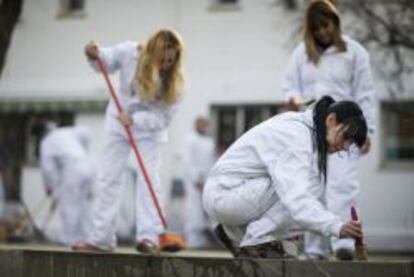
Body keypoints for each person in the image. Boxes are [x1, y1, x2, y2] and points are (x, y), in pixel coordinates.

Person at [203, 96, 367, 259]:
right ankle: (257, 241)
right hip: (226, 195)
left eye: (350, 144)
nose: (345, 147)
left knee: (305, 190)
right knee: (305, 187)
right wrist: (337, 226)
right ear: (331, 120)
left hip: (228, 193)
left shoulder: (300, 126)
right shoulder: (297, 137)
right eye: (346, 137)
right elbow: (296, 200)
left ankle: (234, 233)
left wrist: (334, 226)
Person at [73, 29, 185, 254]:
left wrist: (135, 119)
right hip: (117, 122)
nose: (164, 65)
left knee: (149, 180)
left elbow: (163, 119)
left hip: (150, 130)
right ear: (151, 51)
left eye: (170, 61)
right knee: (108, 178)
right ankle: (101, 238)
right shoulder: (128, 52)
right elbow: (105, 61)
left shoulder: (175, 83)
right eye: (161, 59)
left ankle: (149, 237)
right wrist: (93, 54)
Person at [280, 0, 375, 260]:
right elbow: (289, 85)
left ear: (335, 22)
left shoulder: (355, 52)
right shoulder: (301, 53)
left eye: (326, 26)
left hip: (346, 129)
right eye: (316, 29)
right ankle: (314, 249)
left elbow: (365, 93)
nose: (322, 32)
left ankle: (343, 245)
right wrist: (291, 98)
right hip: (312, 130)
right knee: (313, 187)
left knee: (343, 186)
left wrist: (368, 132)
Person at [40, 125, 95, 246]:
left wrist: (51, 187)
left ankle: (68, 240)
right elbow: (86, 133)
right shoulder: (66, 131)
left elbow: (47, 168)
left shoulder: (46, 142)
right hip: (88, 165)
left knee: (69, 204)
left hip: (72, 169)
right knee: (84, 204)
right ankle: (86, 238)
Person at [182, 117, 216, 248]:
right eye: (201, 124)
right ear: (196, 125)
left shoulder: (208, 140)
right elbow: (187, 161)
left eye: (205, 125)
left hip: (207, 180)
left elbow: (211, 160)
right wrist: (196, 179)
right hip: (194, 181)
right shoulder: (190, 139)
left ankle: (202, 238)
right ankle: (192, 239)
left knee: (206, 209)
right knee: (193, 208)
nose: (203, 127)